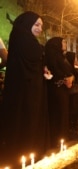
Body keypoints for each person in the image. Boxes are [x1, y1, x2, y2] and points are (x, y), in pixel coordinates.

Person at [0, 11, 50, 166]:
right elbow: (36, 54)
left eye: (41, 25)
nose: (40, 29)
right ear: (27, 24)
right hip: (24, 93)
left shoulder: (24, 39)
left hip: (30, 91)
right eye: (37, 24)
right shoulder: (23, 39)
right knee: (24, 125)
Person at [45, 37, 74, 147]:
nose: (65, 43)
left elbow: (71, 72)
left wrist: (71, 78)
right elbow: (54, 73)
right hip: (56, 90)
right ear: (57, 44)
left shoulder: (62, 57)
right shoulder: (52, 57)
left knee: (64, 113)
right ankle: (56, 139)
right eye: (63, 42)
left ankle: (62, 138)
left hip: (64, 89)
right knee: (57, 113)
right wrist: (65, 79)